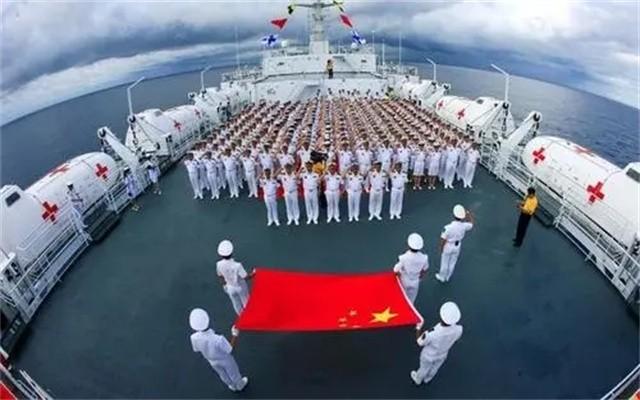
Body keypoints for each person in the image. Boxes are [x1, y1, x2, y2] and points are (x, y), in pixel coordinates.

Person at [188, 308, 248, 392]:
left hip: (212, 361)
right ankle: (239, 384)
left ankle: (231, 385)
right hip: (225, 359)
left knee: (222, 374)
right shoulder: (218, 339)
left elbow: (197, 349)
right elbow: (230, 349)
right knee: (233, 372)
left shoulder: (193, 337)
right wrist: (234, 334)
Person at [411, 302, 463, 386]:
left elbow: (419, 342)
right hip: (443, 354)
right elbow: (456, 339)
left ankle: (418, 379)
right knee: (435, 367)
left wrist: (418, 327)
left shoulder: (432, 333)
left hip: (428, 356)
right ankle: (428, 378)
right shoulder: (459, 329)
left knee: (424, 368)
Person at [436, 205, 474, 283]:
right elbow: (471, 223)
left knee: (444, 262)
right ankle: (448, 277)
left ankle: (442, 277)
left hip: (448, 246)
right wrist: (468, 214)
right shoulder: (464, 226)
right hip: (457, 246)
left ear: (453, 215)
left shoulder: (448, 227)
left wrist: (441, 248)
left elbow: (443, 239)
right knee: (452, 262)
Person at [216, 240, 251, 315]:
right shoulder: (237, 265)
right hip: (240, 287)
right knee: (246, 302)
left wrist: (225, 286)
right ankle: (249, 316)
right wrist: (254, 273)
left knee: (236, 304)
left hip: (230, 288)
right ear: (231, 253)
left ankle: (241, 317)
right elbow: (246, 277)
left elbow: (220, 276)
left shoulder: (218, 264)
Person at [393, 233, 429, 303]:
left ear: (409, 246)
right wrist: (420, 278)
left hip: (404, 280)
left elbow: (395, 270)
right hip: (415, 281)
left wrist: (399, 275)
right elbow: (424, 269)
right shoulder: (424, 258)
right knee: (412, 297)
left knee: (403, 296)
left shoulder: (404, 257)